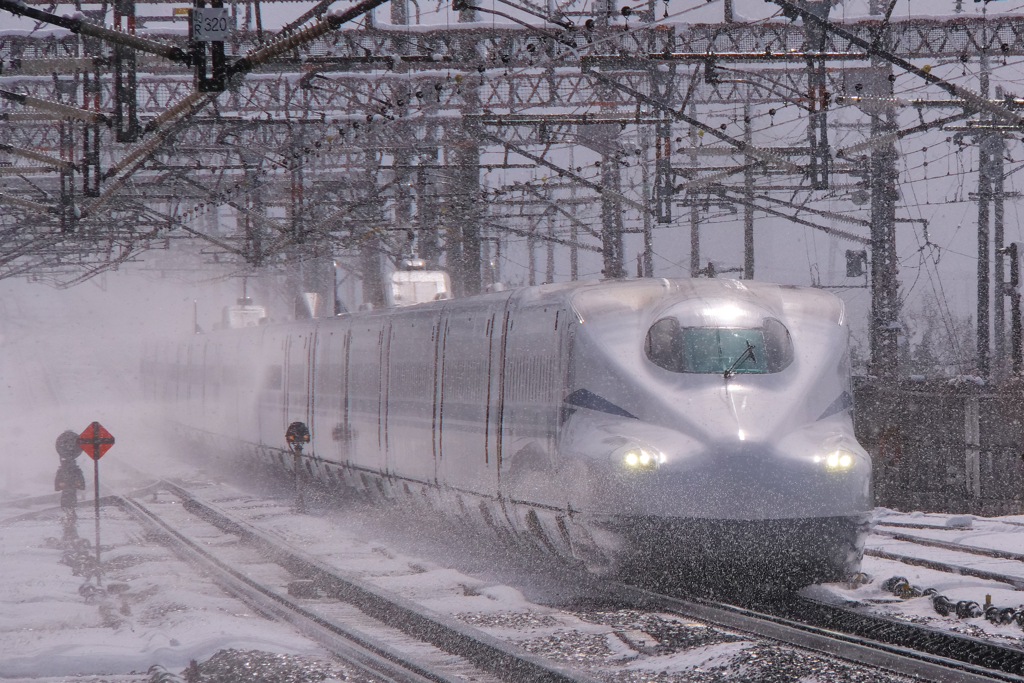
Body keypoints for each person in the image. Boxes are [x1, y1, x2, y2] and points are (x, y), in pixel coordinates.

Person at [54, 430, 85, 525]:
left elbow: (58, 477)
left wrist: (58, 485)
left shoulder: (64, 469)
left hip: (68, 487)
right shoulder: (75, 469)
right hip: (71, 487)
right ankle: (70, 511)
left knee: (68, 498)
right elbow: (79, 476)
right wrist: (80, 484)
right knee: (70, 497)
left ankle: (69, 511)